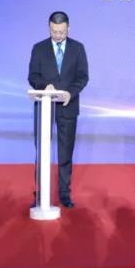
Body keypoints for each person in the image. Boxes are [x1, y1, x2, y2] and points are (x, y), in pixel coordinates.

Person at [27, 11, 89, 208]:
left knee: (65, 152)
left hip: (68, 106)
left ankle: (64, 194)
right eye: (54, 31)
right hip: (44, 106)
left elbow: (83, 77)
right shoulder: (39, 48)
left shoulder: (78, 48)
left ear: (68, 28)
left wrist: (70, 92)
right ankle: (40, 194)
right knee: (42, 152)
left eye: (62, 32)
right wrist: (44, 86)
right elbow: (32, 76)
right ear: (49, 27)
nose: (58, 35)